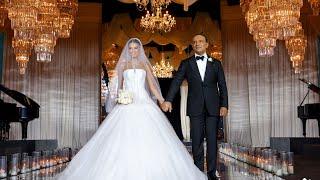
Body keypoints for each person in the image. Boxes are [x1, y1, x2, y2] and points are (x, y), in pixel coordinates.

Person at [57, 38, 207, 180]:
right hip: (127, 103)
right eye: (130, 48)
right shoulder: (123, 64)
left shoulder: (145, 65)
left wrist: (162, 100)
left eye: (136, 48)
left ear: (140, 49)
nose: (133, 50)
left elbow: (152, 86)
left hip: (144, 102)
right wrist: (118, 97)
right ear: (127, 50)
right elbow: (119, 85)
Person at [161, 34, 228, 180]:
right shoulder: (186, 63)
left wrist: (224, 104)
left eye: (200, 41)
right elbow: (176, 82)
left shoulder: (216, 63)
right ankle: (197, 172)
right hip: (195, 106)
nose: (197, 43)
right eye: (195, 42)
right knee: (196, 140)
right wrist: (168, 100)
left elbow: (222, 85)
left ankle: (211, 173)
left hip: (213, 107)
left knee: (212, 140)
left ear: (206, 44)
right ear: (192, 45)